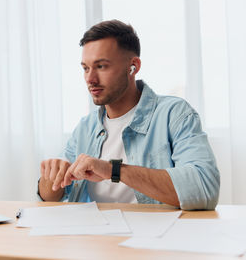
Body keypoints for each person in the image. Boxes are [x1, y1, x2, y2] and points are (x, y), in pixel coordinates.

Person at [37, 19, 220, 210]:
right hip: (92, 235)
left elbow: (204, 189)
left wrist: (113, 170)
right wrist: (50, 178)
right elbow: (50, 198)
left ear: (133, 66)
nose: (90, 79)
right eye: (85, 68)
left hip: (155, 236)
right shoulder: (86, 127)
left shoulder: (174, 114)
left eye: (101, 66)